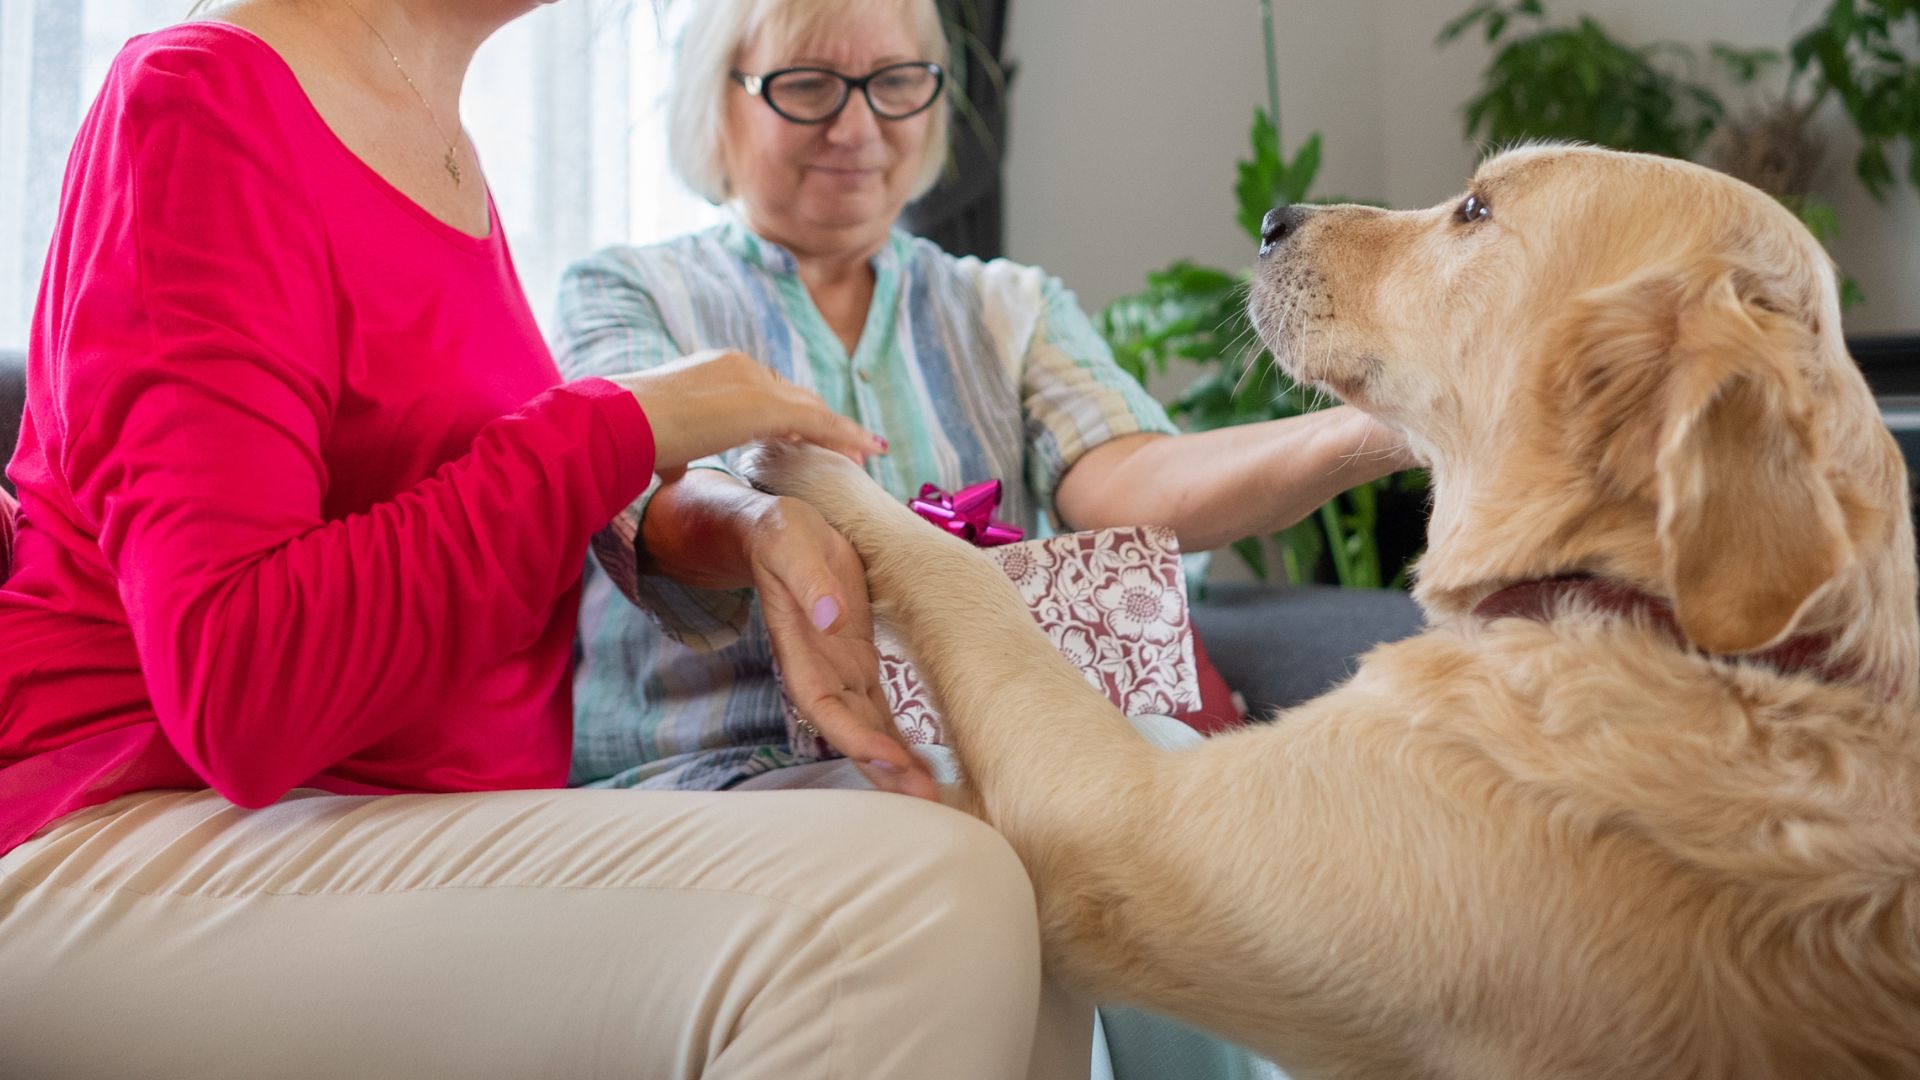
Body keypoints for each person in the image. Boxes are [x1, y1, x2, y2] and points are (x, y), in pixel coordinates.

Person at [0, 2, 1086, 1076]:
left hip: (380, 828)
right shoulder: (197, 104)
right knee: (908, 903)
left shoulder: (434, 139)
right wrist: (618, 423)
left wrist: (746, 526)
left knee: (1018, 845)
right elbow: (240, 687)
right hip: (122, 832)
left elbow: (481, 510)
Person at [555, 0, 1412, 1076]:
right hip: (723, 772)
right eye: (810, 85)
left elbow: (1131, 479)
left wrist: (1382, 419)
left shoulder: (1006, 307)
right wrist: (779, 527)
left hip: (980, 762)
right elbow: (651, 511)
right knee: (1023, 839)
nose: (859, 128)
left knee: (1167, 773)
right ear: (716, 101)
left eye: (898, 82)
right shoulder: (629, 291)